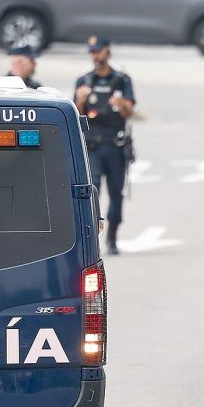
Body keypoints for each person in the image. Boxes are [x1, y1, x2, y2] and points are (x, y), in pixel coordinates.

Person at [75, 36, 135, 255]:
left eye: (98, 51)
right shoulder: (84, 81)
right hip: (92, 146)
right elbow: (77, 115)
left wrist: (121, 105)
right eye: (92, 52)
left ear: (107, 52)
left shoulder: (121, 80)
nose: (95, 56)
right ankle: (93, 237)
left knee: (116, 193)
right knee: (93, 193)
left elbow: (130, 113)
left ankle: (112, 237)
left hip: (115, 144)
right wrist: (81, 100)